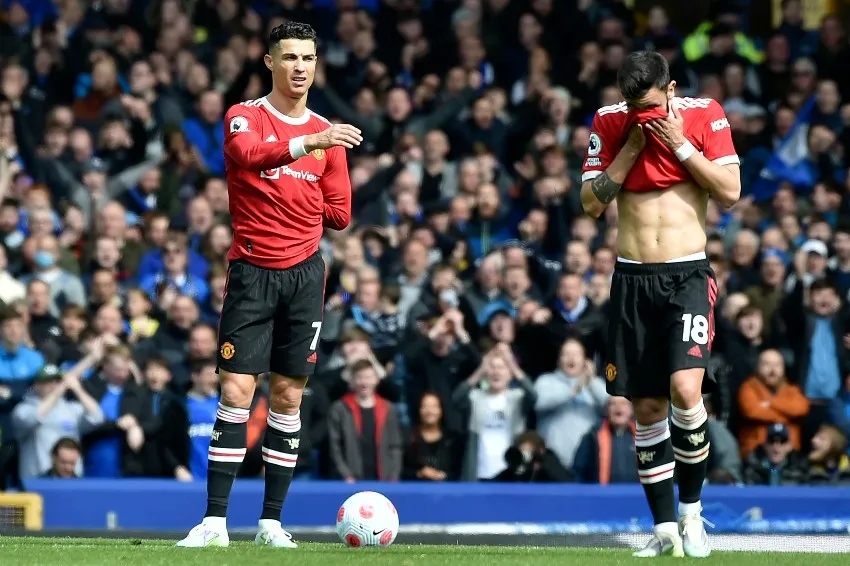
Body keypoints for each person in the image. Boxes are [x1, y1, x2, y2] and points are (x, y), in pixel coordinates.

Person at [177, 21, 361, 549]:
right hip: (253, 271)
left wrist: (287, 189)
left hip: (306, 275)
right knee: (236, 391)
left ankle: (271, 524)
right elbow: (246, 157)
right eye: (291, 57)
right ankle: (213, 523)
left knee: (287, 397)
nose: (301, 66)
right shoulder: (245, 117)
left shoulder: (330, 135)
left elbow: (341, 213)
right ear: (270, 62)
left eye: (309, 57)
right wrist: (309, 147)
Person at [580, 51, 741, 558]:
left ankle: (693, 514)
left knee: (685, 390)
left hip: (687, 273)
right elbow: (591, 203)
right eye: (634, 106)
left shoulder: (704, 114)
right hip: (632, 279)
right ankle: (665, 528)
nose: (641, 114)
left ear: (671, 90)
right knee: (645, 408)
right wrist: (630, 145)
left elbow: (731, 193)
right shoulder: (610, 122)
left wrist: (682, 148)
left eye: (649, 105)